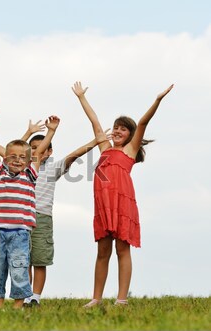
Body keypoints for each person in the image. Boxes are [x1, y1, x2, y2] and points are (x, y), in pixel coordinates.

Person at [71, 81, 174, 307]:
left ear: (130, 135)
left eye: (123, 128)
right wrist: (81, 97)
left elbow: (144, 122)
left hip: (122, 204)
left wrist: (157, 100)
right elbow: (95, 122)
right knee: (102, 250)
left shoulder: (130, 150)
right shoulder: (105, 149)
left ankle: (121, 299)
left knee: (122, 248)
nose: (117, 131)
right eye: (116, 127)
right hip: (103, 205)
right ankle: (96, 298)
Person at [21, 122, 104, 307]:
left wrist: (95, 141)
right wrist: (27, 133)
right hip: (22, 218)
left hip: (42, 218)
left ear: (49, 152)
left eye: (40, 149)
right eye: (32, 149)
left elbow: (74, 155)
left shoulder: (54, 168)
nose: (36, 152)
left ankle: (35, 297)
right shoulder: (23, 169)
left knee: (39, 259)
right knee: (24, 260)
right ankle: (26, 296)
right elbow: (12, 150)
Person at [0, 115, 60, 309]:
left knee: (19, 268)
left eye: (22, 157)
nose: (17, 160)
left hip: (20, 233)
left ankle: (18, 305)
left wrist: (51, 131)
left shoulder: (30, 174)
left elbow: (39, 151)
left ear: (29, 160)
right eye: (13, 157)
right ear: (5, 158)